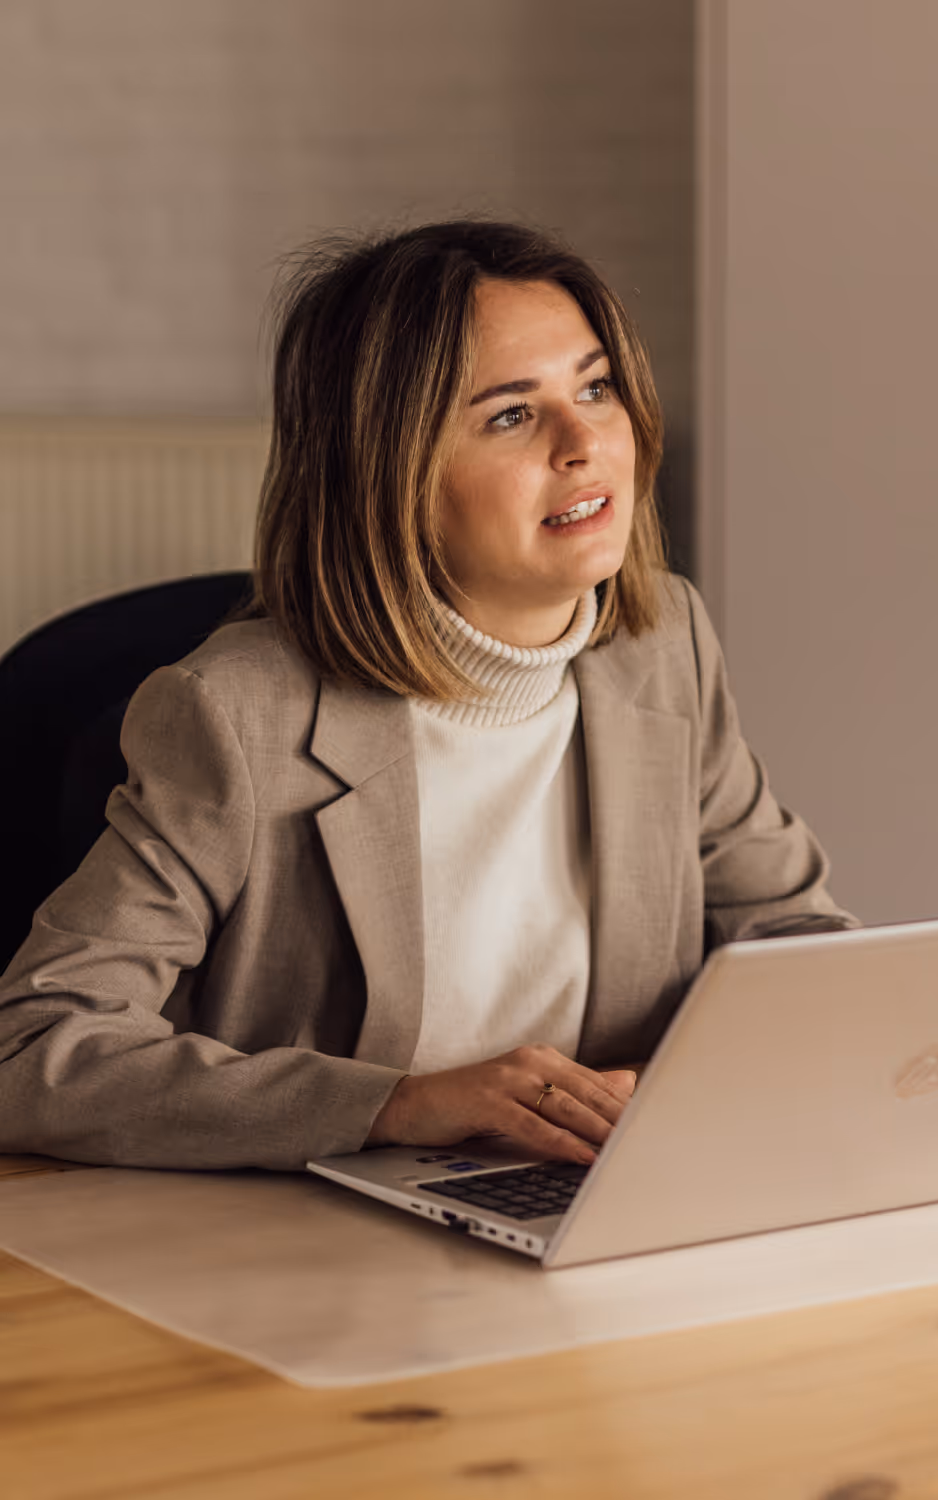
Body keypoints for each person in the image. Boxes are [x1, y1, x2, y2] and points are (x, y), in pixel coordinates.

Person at [0, 220, 857, 1172]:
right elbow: (36, 1049)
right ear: (391, 473)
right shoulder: (236, 714)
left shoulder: (661, 649)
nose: (584, 444)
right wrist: (398, 1106)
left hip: (598, 1191)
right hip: (316, 1236)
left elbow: (795, 937)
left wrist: (669, 1082)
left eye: (596, 387)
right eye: (510, 414)